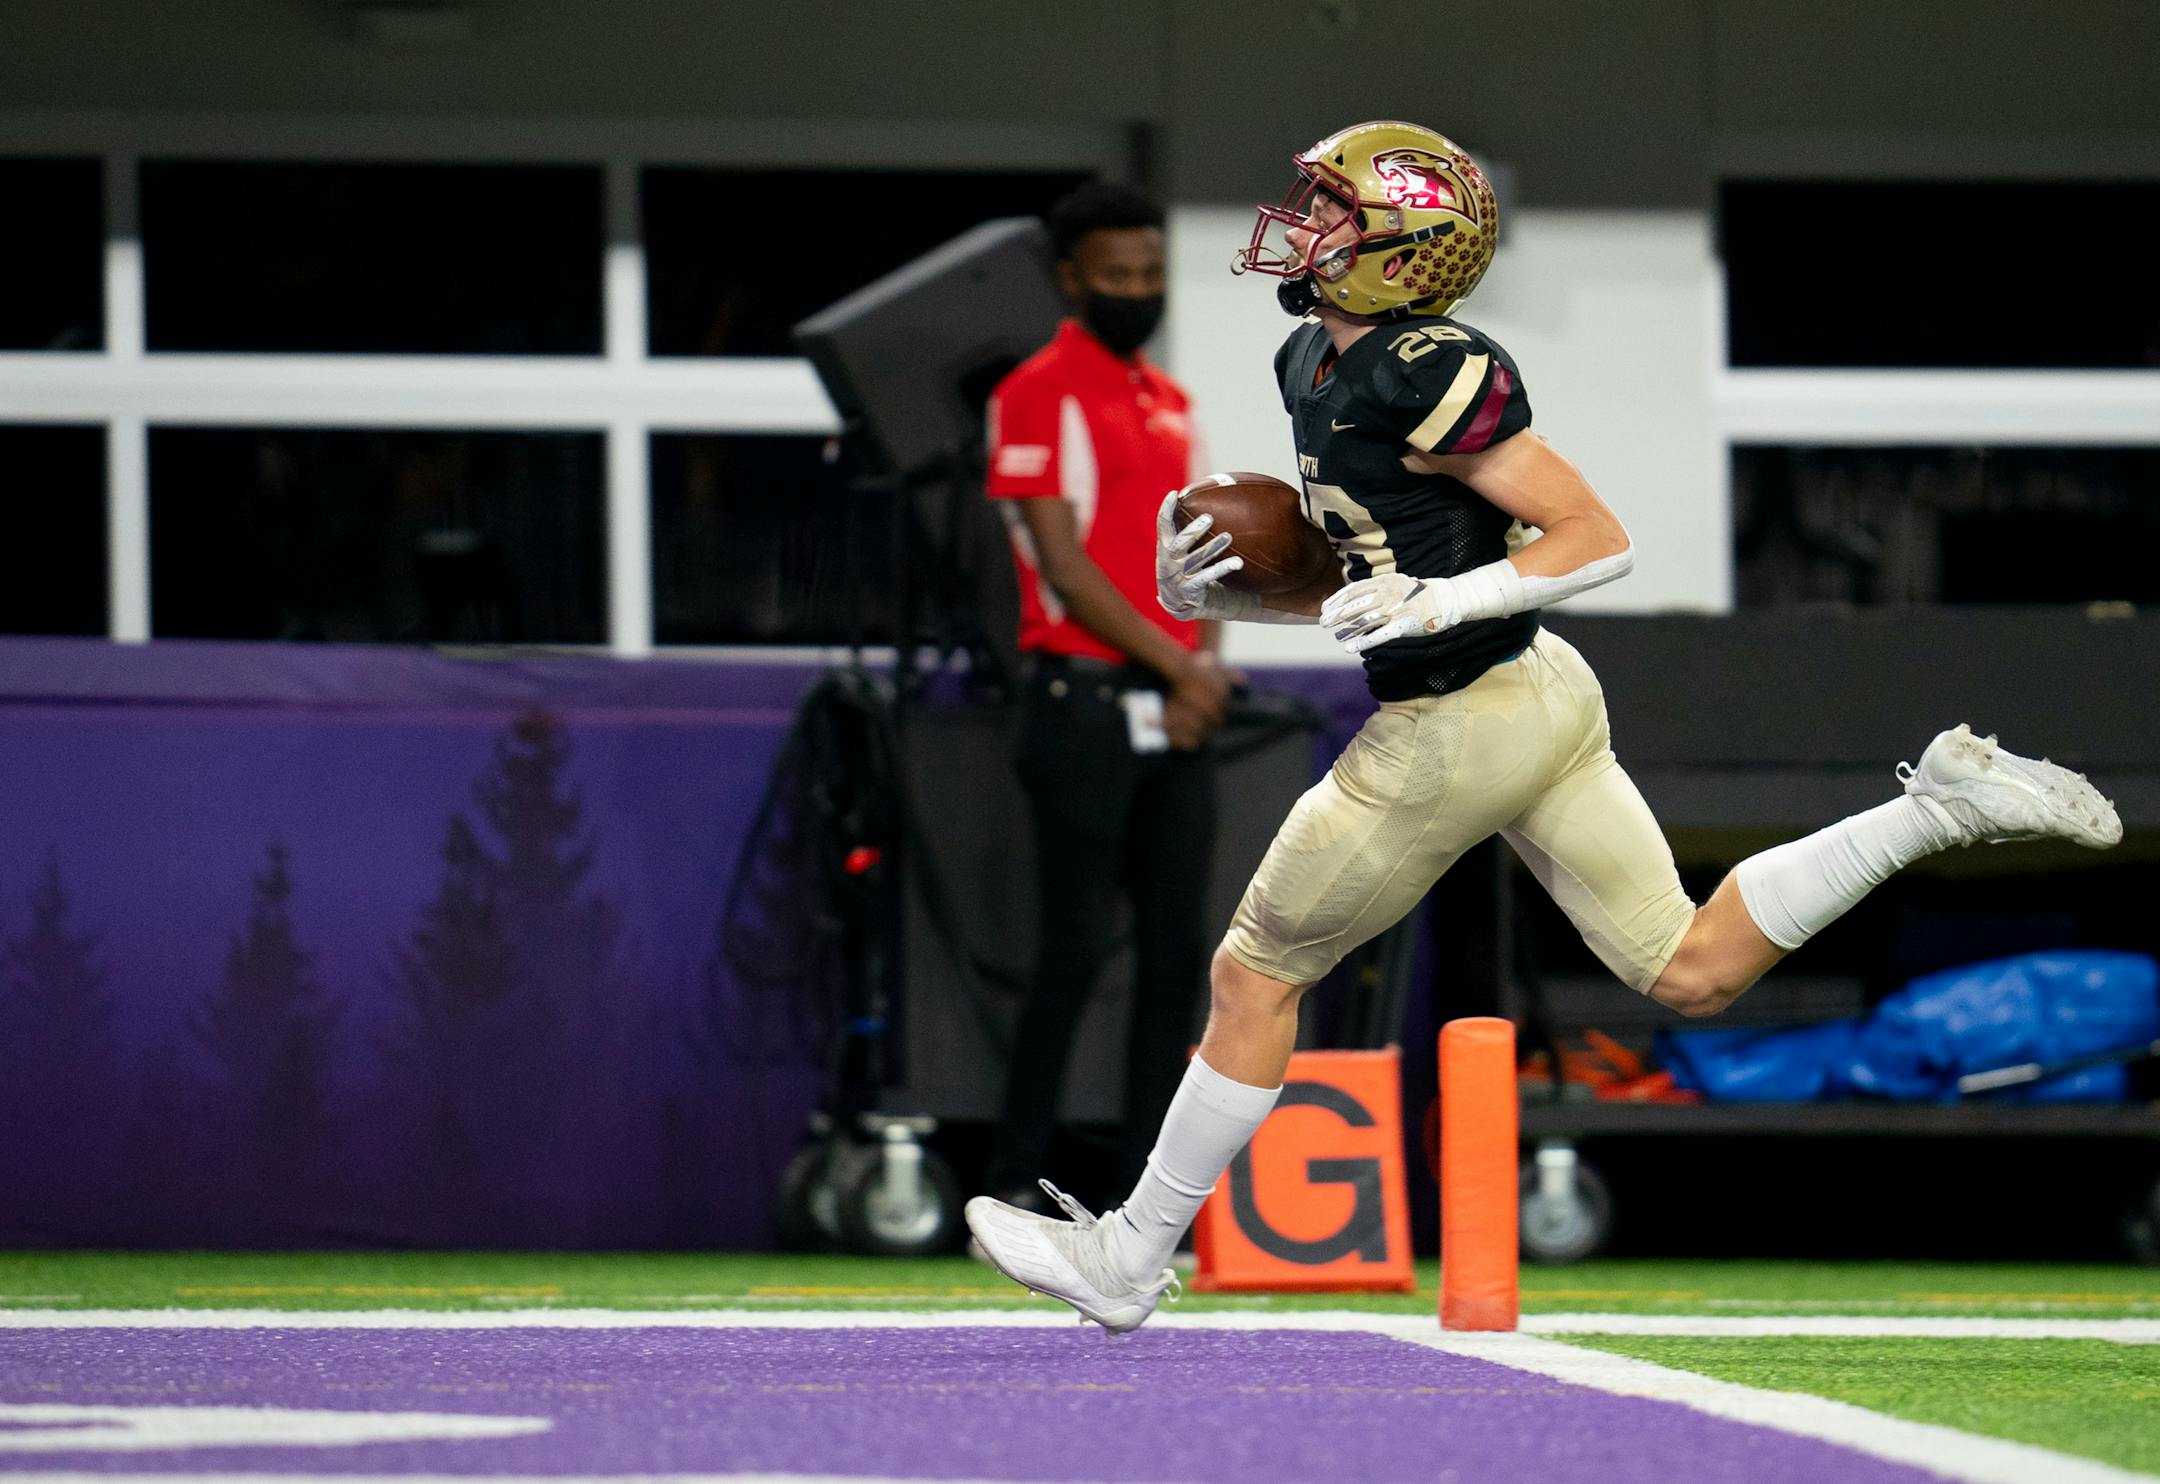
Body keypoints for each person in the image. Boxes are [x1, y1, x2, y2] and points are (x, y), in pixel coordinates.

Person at [964, 120, 2124, 1331]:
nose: (1302, 225)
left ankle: (1131, 1255)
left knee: (1254, 974)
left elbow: (1592, 537)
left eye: (1332, 209)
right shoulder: (1311, 358)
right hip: (1538, 694)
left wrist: (1445, 597)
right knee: (1691, 967)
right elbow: (1374, 564)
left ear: (1402, 252)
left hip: (1457, 718)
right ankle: (1929, 806)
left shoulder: (1429, 362)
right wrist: (1229, 591)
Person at [977, 179, 1232, 1215]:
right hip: (1078, 704)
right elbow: (1065, 567)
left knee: (1181, 961)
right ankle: (1010, 1183)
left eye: (1152, 275)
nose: (1138, 290)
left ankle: (1147, 1203)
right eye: (1119, 274)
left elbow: (1209, 554)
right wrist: (1182, 671)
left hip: (1179, 707)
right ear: (1072, 276)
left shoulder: (1173, 404)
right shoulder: (1033, 391)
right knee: (1074, 949)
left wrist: (1200, 670)